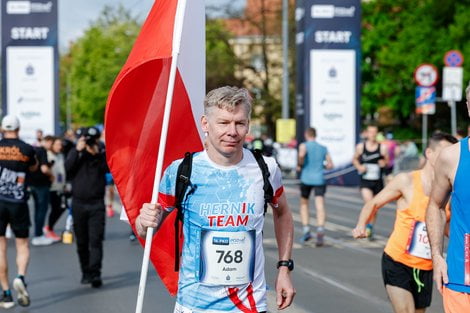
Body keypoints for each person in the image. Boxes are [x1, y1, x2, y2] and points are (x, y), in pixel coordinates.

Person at [135, 86, 295, 312]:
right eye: (223, 122)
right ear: (205, 124)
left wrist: (284, 268)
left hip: (248, 304)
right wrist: (144, 220)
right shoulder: (181, 171)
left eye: (239, 123)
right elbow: (145, 231)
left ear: (248, 125)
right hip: (194, 304)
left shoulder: (264, 168)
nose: (232, 131)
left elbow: (283, 213)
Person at [353, 132, 457, 313]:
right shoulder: (406, 181)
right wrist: (361, 224)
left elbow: (446, 226)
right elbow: (374, 202)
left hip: (426, 266)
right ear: (429, 153)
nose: (446, 157)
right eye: (443, 152)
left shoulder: (450, 192)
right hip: (397, 261)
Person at [426, 82, 470, 312]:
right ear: (468, 106)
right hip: (461, 279)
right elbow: (435, 206)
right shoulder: (451, 157)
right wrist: (436, 256)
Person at [0, 115, 38, 308]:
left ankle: (6, 294)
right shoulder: (27, 148)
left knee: (1, 247)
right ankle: (20, 277)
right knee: (22, 244)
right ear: (18, 128)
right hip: (18, 201)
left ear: (2, 128)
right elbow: (33, 167)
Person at [65, 127, 108, 288]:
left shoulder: (100, 152)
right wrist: (78, 151)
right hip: (78, 203)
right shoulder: (75, 152)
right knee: (82, 242)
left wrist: (97, 153)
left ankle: (96, 273)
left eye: (94, 139)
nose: (91, 142)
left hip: (96, 204)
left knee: (96, 240)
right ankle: (86, 272)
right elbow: (68, 168)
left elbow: (108, 169)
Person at [297, 127, 333, 246]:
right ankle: (320, 230)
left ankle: (306, 230)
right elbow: (330, 165)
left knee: (304, 204)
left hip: (306, 178)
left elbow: (301, 157)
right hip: (319, 179)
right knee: (320, 204)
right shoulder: (323, 148)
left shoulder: (304, 145)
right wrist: (322, 165)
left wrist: (300, 164)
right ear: (315, 135)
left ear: (306, 135)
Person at [352, 124, 388, 240]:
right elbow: (354, 159)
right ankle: (365, 226)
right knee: (369, 202)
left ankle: (370, 226)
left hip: (377, 180)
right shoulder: (361, 147)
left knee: (375, 206)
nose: (372, 135)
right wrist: (359, 167)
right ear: (367, 133)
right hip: (365, 180)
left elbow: (386, 161)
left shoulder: (382, 148)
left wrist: (384, 163)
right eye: (370, 132)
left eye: (375, 132)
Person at [28, 135, 54, 246]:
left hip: (31, 184)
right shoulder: (42, 150)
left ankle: (37, 233)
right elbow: (44, 169)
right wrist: (52, 176)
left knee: (37, 209)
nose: (51, 147)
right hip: (41, 185)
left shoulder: (32, 149)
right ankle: (38, 235)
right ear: (47, 141)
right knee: (42, 210)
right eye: (51, 144)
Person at [44, 137, 66, 242]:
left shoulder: (61, 156)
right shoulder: (48, 155)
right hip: (51, 187)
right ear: (52, 145)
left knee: (62, 207)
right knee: (56, 208)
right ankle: (49, 228)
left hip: (61, 186)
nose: (59, 147)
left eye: (60, 145)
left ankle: (49, 227)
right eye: (57, 144)